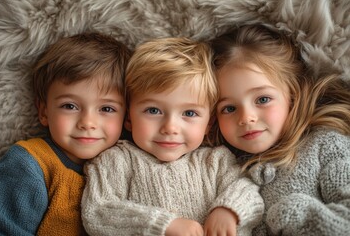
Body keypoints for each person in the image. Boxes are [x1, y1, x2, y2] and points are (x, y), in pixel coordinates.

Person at [81, 37, 264, 236]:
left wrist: (229, 209)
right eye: (153, 111)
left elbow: (248, 188)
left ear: (208, 124)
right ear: (129, 118)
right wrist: (162, 225)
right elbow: (98, 212)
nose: (170, 128)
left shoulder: (216, 161)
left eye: (189, 113)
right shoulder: (116, 161)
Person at [210, 24, 350, 236]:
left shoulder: (327, 146)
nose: (247, 117)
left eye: (263, 99)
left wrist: (296, 214)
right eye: (229, 108)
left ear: (292, 94)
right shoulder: (225, 169)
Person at [0, 33, 131, 235]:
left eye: (107, 109)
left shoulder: (127, 165)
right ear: (44, 111)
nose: (87, 123)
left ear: (127, 116)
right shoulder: (29, 165)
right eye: (70, 106)